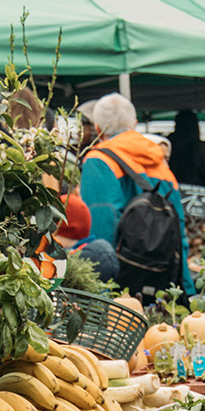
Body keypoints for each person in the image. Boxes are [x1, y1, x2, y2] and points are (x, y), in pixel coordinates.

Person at [79, 93, 192, 294]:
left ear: (98, 128)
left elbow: (102, 225)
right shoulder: (161, 166)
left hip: (119, 284)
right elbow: (178, 230)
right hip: (161, 280)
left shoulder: (98, 160)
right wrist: (186, 288)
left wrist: (98, 290)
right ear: (135, 124)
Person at [169, 108, 205, 189]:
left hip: (170, 194)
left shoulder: (166, 147)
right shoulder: (203, 148)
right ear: (196, 127)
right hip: (200, 195)